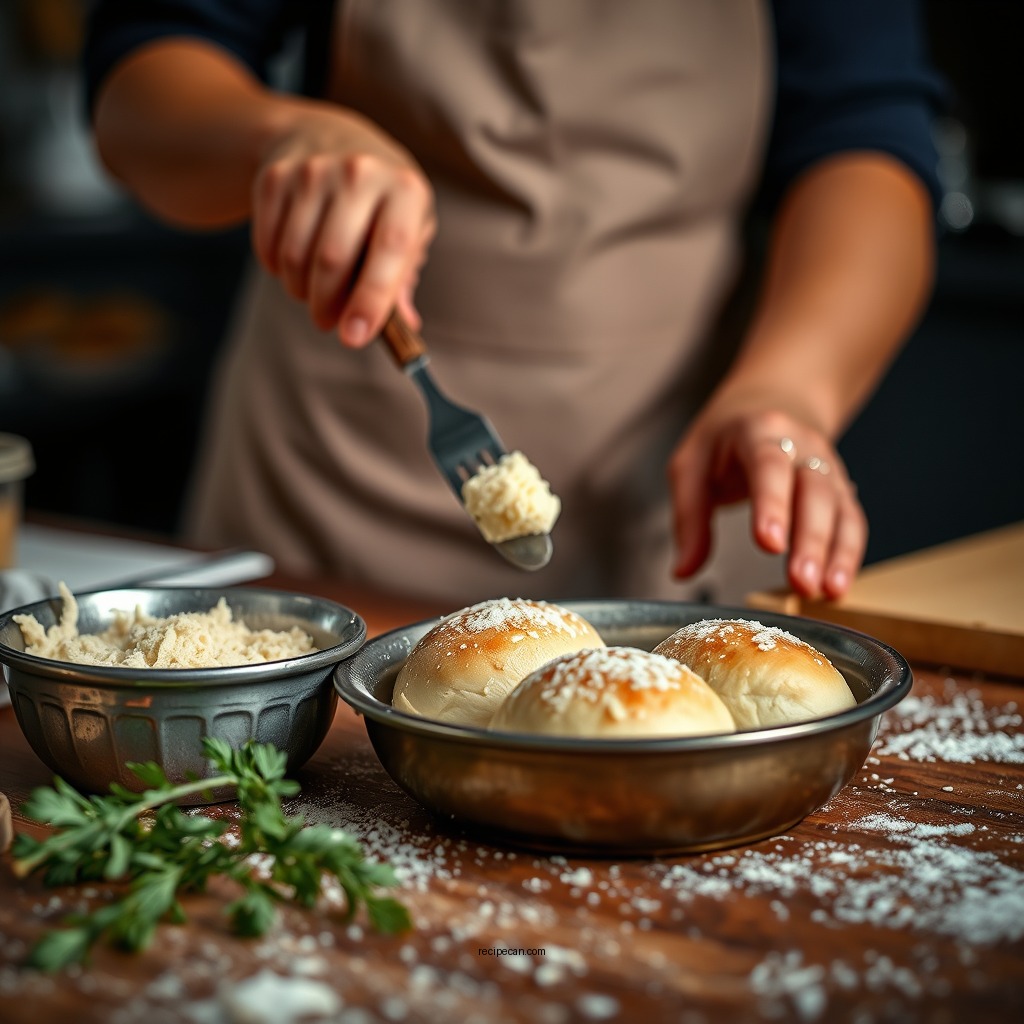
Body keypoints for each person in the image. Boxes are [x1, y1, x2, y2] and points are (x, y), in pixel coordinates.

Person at [83, 0, 943, 607]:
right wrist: (281, 137)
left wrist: (788, 390)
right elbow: (142, 73)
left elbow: (865, 141)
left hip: (680, 476)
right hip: (336, 473)